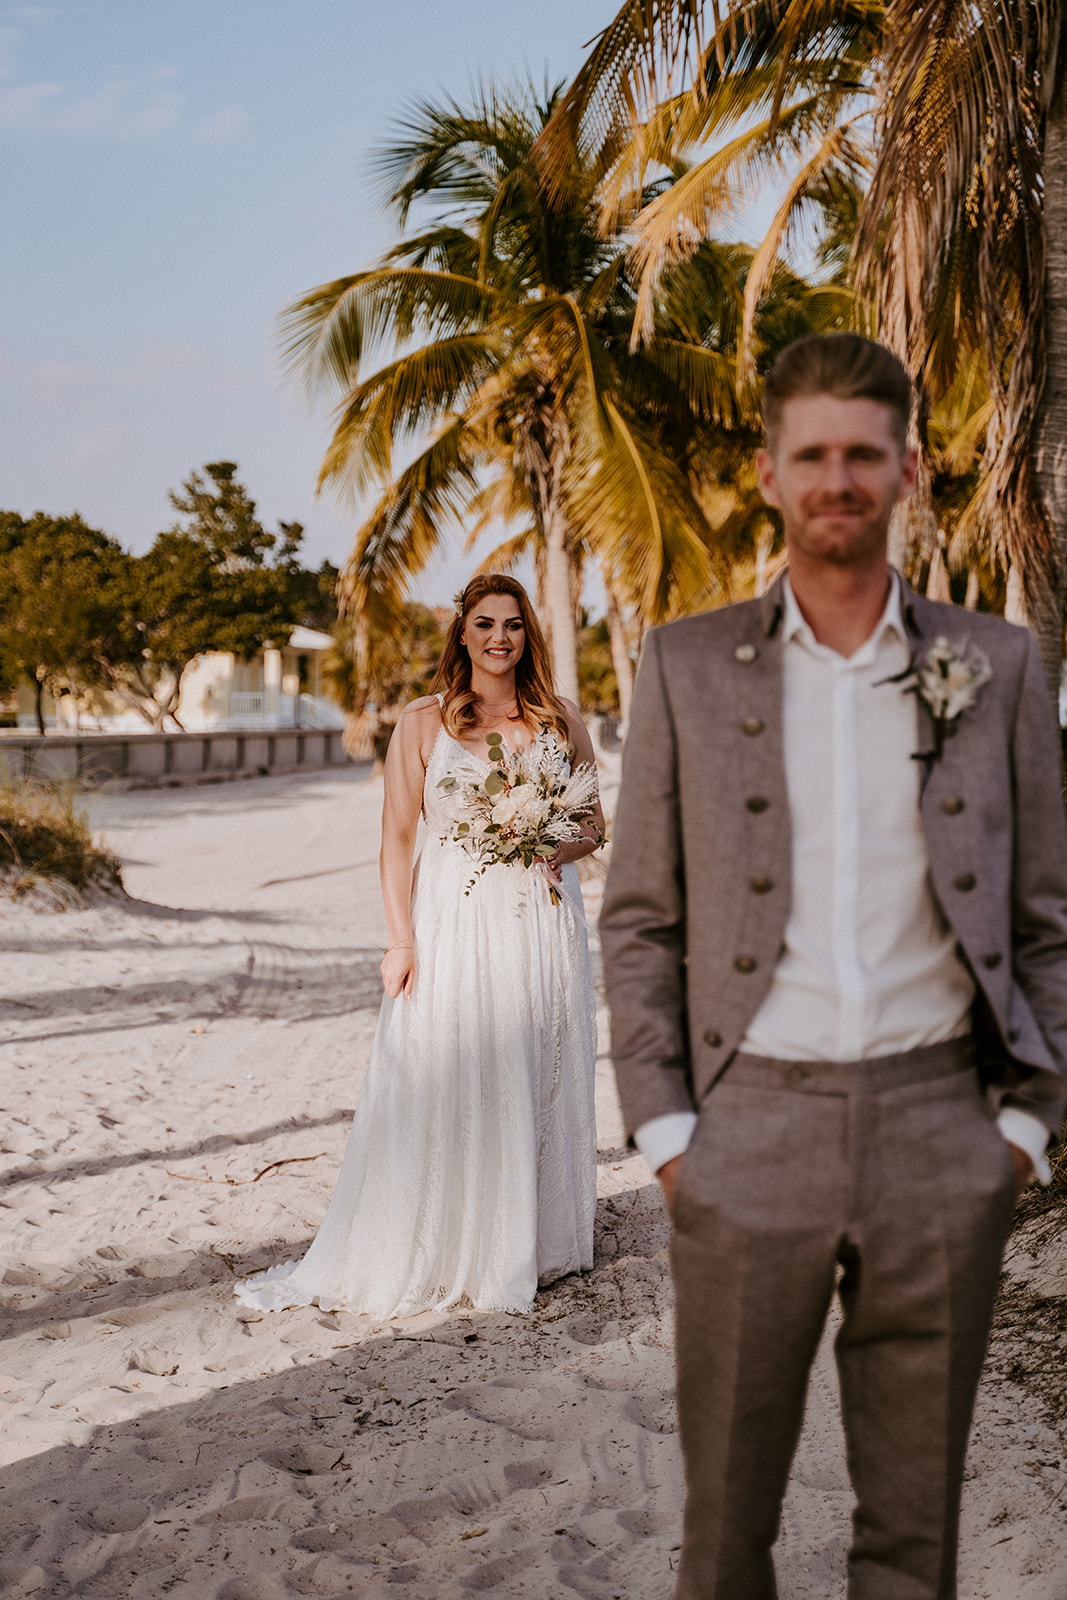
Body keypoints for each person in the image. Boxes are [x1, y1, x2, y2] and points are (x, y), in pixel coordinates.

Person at [599, 333, 1067, 1600]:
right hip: (746, 1127)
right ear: (766, 471)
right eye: (810, 453)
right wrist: (669, 1133)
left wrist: (1022, 1123)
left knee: (914, 1538)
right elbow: (639, 917)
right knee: (724, 1532)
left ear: (908, 469)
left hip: (938, 1128)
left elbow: (1044, 916)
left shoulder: (996, 665)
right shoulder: (683, 666)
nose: (836, 478)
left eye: (863, 453)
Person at [236, 573, 603, 1319]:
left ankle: (535, 1242)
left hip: (543, 917)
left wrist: (554, 846)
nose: (499, 637)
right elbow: (397, 837)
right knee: (458, 1068)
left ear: (527, 635)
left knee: (538, 1067)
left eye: (512, 625)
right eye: (484, 624)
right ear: (462, 635)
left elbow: (595, 823)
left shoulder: (561, 719)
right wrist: (399, 942)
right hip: (455, 922)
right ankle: (455, 1244)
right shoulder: (424, 723)